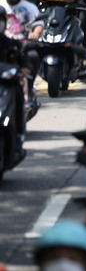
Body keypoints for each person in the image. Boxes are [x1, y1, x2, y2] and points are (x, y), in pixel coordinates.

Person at [0, 8, 34, 162]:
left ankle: (19, 133)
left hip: (7, 84)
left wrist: (25, 66)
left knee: (19, 96)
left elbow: (23, 57)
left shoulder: (10, 43)